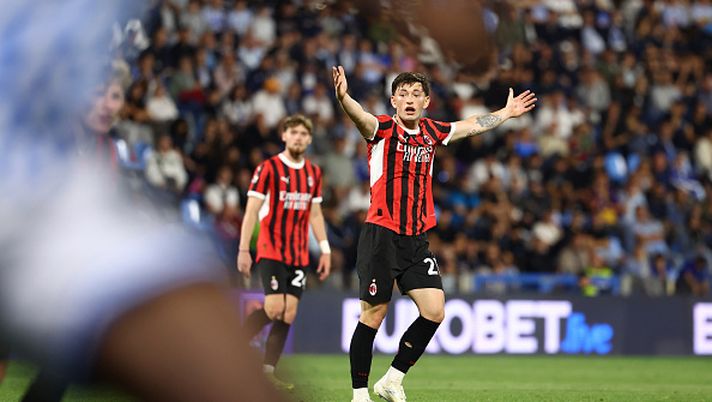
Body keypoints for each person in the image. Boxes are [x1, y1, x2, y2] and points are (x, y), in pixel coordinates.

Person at [332, 65, 536, 402]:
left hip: (416, 239)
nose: (409, 100)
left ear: (426, 101)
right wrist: (343, 96)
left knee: (435, 311)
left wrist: (505, 113)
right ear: (393, 100)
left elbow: (470, 126)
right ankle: (359, 395)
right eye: (403, 94)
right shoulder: (380, 130)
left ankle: (392, 380)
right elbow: (360, 115)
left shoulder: (431, 132)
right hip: (381, 234)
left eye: (416, 94)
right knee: (374, 314)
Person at [237, 114, 332, 389]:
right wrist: (244, 249)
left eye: (304, 133)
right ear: (284, 136)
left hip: (299, 254)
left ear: (310, 139)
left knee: (288, 313)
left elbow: (315, 214)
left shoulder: (314, 173)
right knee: (275, 306)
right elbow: (252, 210)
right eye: (294, 132)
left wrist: (324, 249)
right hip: (271, 248)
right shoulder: (268, 169)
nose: (299, 137)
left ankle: (268, 372)